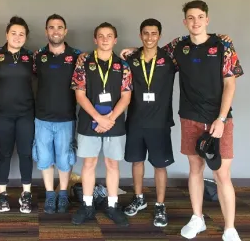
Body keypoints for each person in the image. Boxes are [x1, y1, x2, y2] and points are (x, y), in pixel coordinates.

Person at [120, 0, 244, 240]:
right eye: (190, 17)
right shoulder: (178, 47)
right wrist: (133, 50)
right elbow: (153, 51)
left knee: (221, 174)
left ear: (206, 19)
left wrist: (220, 118)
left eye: (199, 17)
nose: (195, 22)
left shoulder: (223, 44)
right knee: (195, 169)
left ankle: (230, 228)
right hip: (190, 117)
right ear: (184, 21)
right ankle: (197, 218)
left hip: (219, 119)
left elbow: (230, 83)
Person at [70, 22, 132, 227]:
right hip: (90, 121)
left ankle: (112, 205)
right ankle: (87, 205)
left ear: (115, 40)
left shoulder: (123, 65)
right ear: (95, 39)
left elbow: (126, 96)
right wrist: (99, 118)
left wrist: (110, 119)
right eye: (101, 36)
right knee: (89, 164)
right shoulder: (84, 62)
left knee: (113, 164)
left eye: (109, 36)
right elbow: (79, 94)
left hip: (115, 122)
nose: (105, 39)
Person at [122, 18, 176, 228]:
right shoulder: (131, 59)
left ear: (159, 35)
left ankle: (160, 205)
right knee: (137, 162)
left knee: (159, 166)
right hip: (135, 120)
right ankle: (139, 198)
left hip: (160, 122)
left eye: (154, 33)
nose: (150, 37)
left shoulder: (170, 59)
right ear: (140, 35)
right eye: (146, 33)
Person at [32, 14, 81, 214]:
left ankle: (63, 194)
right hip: (42, 117)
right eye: (51, 27)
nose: (55, 31)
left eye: (59, 27)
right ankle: (50, 195)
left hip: (66, 118)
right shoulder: (37, 56)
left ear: (65, 31)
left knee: (64, 158)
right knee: (44, 158)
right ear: (46, 31)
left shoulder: (78, 56)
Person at [0, 16, 34, 214]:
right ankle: (2, 194)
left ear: (26, 37)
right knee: (4, 154)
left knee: (25, 154)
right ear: (7, 34)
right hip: (2, 115)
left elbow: (64, 54)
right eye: (13, 33)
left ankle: (26, 194)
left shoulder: (32, 57)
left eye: (21, 34)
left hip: (25, 114)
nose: (17, 37)